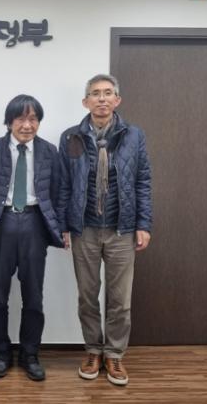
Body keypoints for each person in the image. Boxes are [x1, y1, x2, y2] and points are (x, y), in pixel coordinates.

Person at [57, 73, 152, 386]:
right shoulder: (71, 137)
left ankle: (114, 354)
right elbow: (64, 184)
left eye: (108, 93)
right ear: (86, 102)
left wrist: (143, 224)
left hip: (121, 229)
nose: (102, 98)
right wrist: (64, 225)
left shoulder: (134, 136)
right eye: (95, 93)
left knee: (119, 300)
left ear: (117, 100)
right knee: (87, 297)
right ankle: (93, 351)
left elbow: (142, 181)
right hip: (84, 228)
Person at [0, 95, 63, 381]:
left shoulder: (49, 152)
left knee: (34, 295)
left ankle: (30, 354)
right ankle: (1, 352)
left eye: (33, 119)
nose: (27, 125)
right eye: (21, 119)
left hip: (35, 224)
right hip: (1, 224)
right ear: (9, 121)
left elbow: (58, 192)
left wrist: (60, 227)